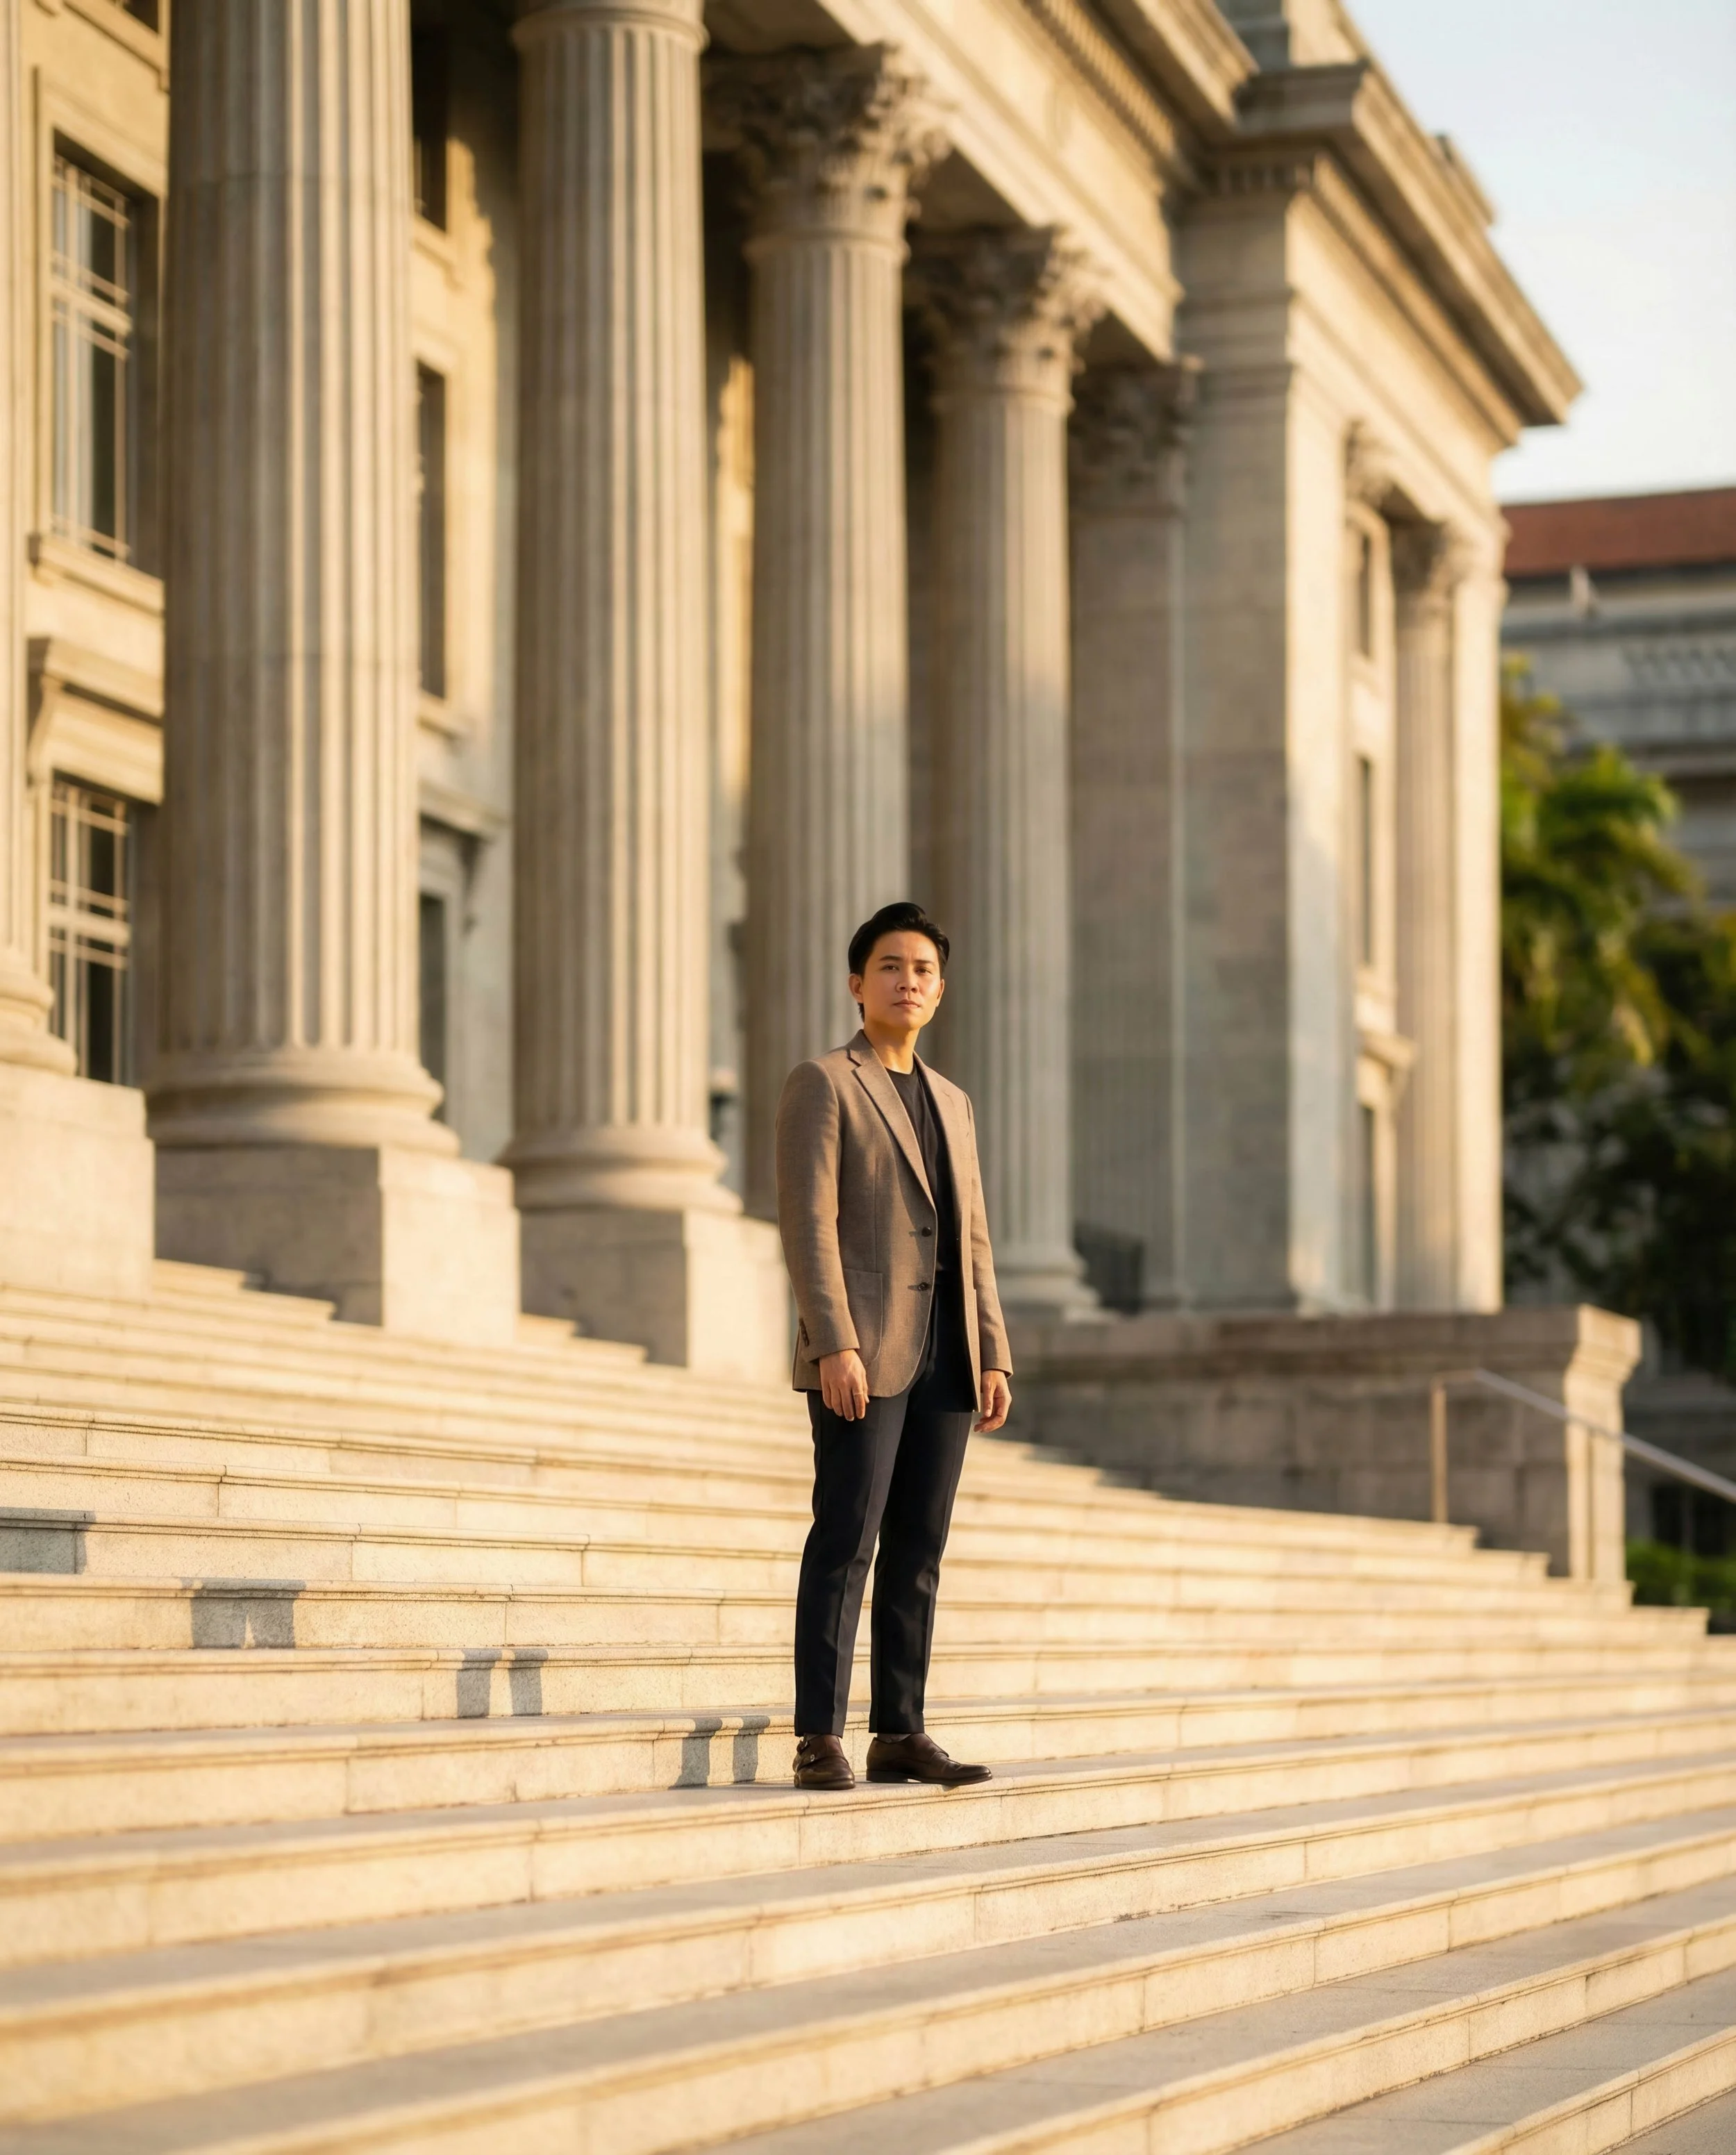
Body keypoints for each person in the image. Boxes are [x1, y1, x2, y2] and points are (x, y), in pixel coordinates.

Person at [774, 900, 1014, 1791]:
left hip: (947, 1350)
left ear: (940, 990)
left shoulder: (953, 1100)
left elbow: (974, 1237)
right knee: (846, 1536)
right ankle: (818, 1735)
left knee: (919, 1547)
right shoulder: (824, 1081)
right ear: (855, 983)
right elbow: (808, 1225)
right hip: (862, 1352)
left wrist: (993, 1350)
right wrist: (832, 1341)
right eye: (888, 966)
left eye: (920, 969)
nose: (905, 980)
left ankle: (899, 1731)